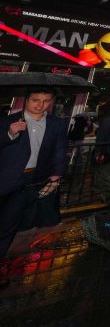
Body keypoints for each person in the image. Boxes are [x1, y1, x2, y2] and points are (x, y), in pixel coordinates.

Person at [0, 89, 67, 259]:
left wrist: (57, 173)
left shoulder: (57, 123)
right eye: (35, 100)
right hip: (4, 177)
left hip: (30, 180)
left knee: (9, 224)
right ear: (26, 100)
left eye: (46, 100)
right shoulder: (8, 120)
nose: (40, 105)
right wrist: (10, 134)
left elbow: (59, 149)